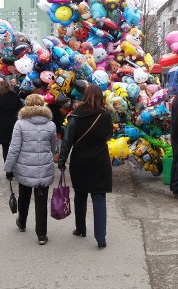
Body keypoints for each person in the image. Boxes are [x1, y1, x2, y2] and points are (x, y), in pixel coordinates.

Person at [58, 84, 113, 249]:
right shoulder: (106, 115)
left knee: (80, 195)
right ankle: (101, 237)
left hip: (80, 160)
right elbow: (108, 135)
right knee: (99, 197)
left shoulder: (75, 115)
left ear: (85, 96)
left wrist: (62, 160)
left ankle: (81, 228)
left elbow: (67, 140)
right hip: (100, 161)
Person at [4, 94, 57, 245]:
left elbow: (14, 148)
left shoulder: (20, 124)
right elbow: (53, 147)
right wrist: (48, 158)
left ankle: (22, 222)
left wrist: (9, 168)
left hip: (25, 167)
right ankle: (41, 234)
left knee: (24, 195)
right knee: (41, 200)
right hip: (44, 167)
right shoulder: (50, 125)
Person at [0, 80, 23, 161]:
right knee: (16, 145)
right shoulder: (15, 96)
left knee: (5, 147)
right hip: (15, 122)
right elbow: (21, 108)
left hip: (2, 124)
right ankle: (16, 164)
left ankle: (8, 167)